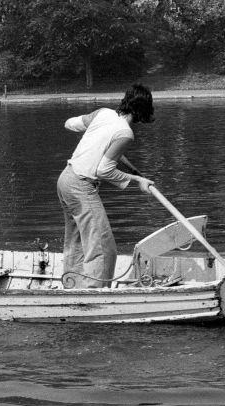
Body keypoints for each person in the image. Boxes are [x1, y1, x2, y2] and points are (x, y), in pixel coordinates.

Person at [57, 83, 155, 288]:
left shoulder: (103, 113)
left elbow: (70, 123)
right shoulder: (126, 134)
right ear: (143, 111)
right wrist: (138, 180)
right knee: (103, 246)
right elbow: (103, 170)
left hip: (65, 180)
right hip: (80, 186)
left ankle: (73, 286)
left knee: (77, 241)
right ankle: (95, 293)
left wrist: (95, 135)